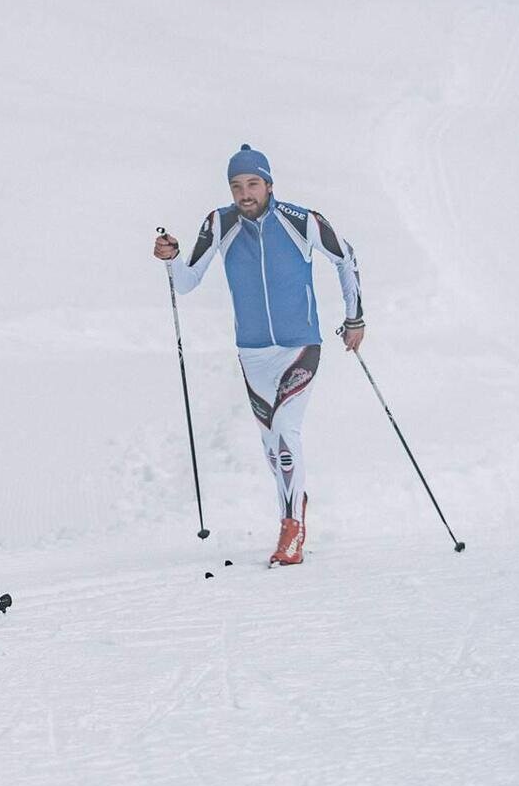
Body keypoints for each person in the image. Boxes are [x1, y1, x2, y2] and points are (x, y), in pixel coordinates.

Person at [154, 145, 363, 566]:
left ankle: (291, 528)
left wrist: (354, 318)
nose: (244, 193)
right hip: (252, 351)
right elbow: (188, 281)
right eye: (236, 186)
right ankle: (294, 505)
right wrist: (173, 258)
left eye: (252, 184)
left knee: (286, 432)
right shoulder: (219, 223)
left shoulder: (301, 221)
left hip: (299, 345)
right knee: (271, 443)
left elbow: (346, 257)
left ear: (269, 184)